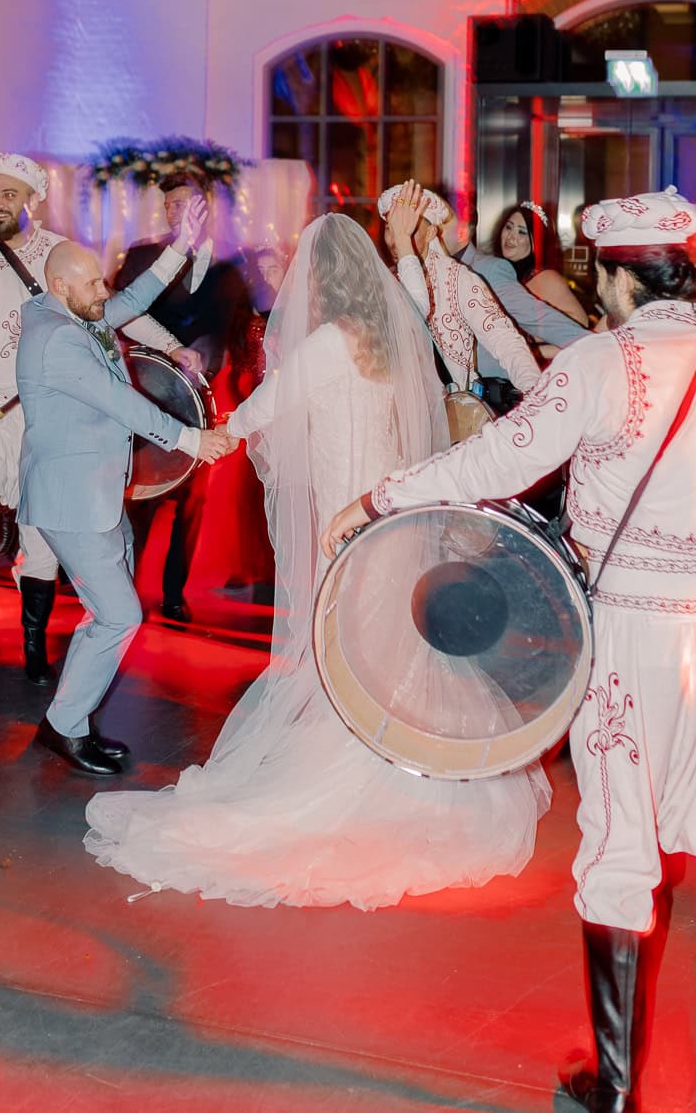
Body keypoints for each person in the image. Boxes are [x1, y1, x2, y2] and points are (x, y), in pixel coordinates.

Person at [324, 186, 696, 1113]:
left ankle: (613, 1088)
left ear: (621, 279)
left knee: (622, 843)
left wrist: (382, 497)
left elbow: (495, 461)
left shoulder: (603, 362)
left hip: (630, 632)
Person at [83, 214, 548, 901]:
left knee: (348, 642)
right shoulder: (387, 337)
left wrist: (214, 437)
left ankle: (359, 762)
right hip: (389, 512)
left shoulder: (329, 342)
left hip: (344, 517)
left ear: (322, 279)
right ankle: (405, 755)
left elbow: (269, 405)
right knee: (391, 638)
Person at [0, 151, 197, 686]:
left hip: (46, 415)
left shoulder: (61, 254)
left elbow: (109, 310)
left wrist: (173, 347)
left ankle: (33, 646)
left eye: (9, 195)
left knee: (40, 543)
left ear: (33, 200)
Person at [17, 204, 234, 776]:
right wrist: (191, 439)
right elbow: (122, 403)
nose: (103, 290)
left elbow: (130, 301)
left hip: (98, 494)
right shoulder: (57, 340)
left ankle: (70, 719)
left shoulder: (71, 311)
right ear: (61, 286)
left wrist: (180, 247)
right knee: (118, 616)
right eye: (92, 283)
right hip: (72, 502)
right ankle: (64, 727)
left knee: (104, 613)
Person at [114, 171, 250, 621]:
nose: (175, 212)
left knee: (192, 504)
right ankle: (125, 591)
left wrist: (208, 358)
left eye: (184, 203)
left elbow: (229, 329)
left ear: (206, 204)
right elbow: (120, 316)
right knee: (140, 496)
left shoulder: (231, 265)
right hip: (148, 390)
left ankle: (174, 594)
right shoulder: (141, 256)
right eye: (169, 204)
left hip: (201, 398)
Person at [381, 179, 541, 404]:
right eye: (390, 229)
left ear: (431, 233)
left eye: (408, 230)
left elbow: (505, 340)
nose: (395, 240)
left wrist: (536, 397)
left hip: (454, 415)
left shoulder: (457, 279)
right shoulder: (384, 281)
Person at [450, 200, 589, 373]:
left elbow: (578, 330)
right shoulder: (493, 270)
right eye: (508, 227)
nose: (511, 237)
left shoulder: (545, 278)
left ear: (536, 242)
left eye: (522, 232)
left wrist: (534, 351)